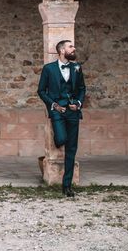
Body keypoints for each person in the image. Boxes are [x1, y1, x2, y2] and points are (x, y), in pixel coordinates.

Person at [37, 40, 86, 198]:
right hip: (57, 111)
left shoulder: (77, 68)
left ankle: (67, 186)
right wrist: (54, 105)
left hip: (72, 111)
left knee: (72, 148)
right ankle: (60, 138)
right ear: (61, 50)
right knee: (61, 138)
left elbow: (82, 89)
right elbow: (41, 91)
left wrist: (78, 103)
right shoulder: (48, 69)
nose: (74, 49)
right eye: (70, 47)